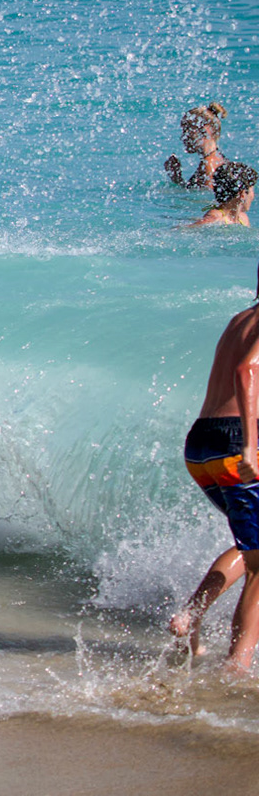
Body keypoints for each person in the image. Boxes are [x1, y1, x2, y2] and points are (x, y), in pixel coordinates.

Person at [174, 272, 259, 671]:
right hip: (236, 443)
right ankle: (236, 666)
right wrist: (249, 445)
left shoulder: (240, 318)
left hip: (201, 444)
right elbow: (247, 371)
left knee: (253, 542)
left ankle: (191, 613)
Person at [168, 103, 229, 190]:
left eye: (187, 130)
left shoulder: (209, 167)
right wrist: (177, 177)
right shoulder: (216, 159)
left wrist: (176, 180)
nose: (183, 137)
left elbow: (203, 201)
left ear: (206, 130)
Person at [189, 164, 257, 228]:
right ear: (242, 194)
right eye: (252, 190)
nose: (253, 196)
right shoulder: (215, 218)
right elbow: (184, 230)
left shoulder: (243, 219)